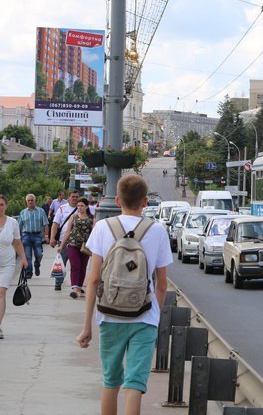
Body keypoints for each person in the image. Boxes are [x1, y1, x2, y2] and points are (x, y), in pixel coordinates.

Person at [77, 174, 172, 415]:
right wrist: (155, 319)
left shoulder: (102, 227)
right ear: (145, 201)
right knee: (134, 383)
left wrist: (87, 325)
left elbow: (93, 279)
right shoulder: (157, 231)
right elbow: (161, 285)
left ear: (118, 199)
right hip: (144, 317)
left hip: (109, 315)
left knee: (111, 381)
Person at [0, 194, 29, 340]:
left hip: (7, 263)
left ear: (6, 206)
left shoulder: (12, 223)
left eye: (1, 205)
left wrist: (23, 258)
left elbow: (17, 242)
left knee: (1, 292)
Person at [58, 197, 94, 299]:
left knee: (83, 267)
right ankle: (75, 288)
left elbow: (94, 233)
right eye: (78, 206)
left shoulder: (91, 219)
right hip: (73, 245)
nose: (80, 208)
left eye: (82, 205)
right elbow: (68, 232)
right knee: (75, 266)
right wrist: (61, 245)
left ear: (87, 206)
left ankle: (79, 287)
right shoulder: (73, 217)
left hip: (86, 247)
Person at [50, 190, 80, 291]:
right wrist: (52, 238)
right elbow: (55, 224)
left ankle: (76, 284)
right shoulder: (62, 209)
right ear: (69, 197)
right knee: (61, 262)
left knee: (76, 264)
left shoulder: (81, 209)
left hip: (76, 242)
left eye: (76, 197)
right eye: (73, 196)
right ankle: (58, 283)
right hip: (63, 241)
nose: (75, 198)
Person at [17, 194, 50, 278]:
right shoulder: (23, 212)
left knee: (38, 254)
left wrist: (46, 236)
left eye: (32, 200)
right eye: (29, 200)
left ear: (35, 201)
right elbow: (18, 226)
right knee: (27, 255)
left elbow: (46, 224)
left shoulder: (41, 211)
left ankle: (37, 264)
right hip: (26, 235)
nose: (30, 202)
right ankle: (29, 272)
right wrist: (18, 238)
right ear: (26, 202)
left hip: (37, 235)